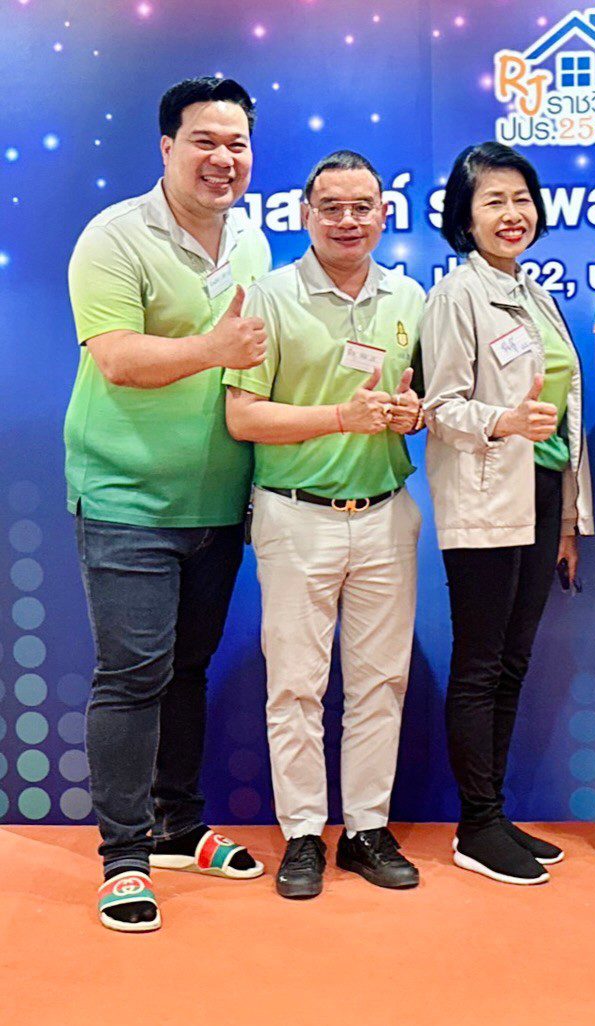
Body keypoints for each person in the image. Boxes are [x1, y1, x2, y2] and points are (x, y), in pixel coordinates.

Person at [65, 76, 270, 933]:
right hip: (127, 499)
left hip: (216, 502)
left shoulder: (253, 239)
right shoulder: (114, 236)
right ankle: (123, 856)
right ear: (167, 148)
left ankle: (179, 826)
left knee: (187, 668)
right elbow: (115, 358)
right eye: (204, 142)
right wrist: (213, 347)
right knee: (133, 673)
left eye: (237, 144)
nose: (223, 159)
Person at [223, 150, 425, 899]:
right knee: (296, 687)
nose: (347, 220)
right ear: (305, 214)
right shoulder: (270, 297)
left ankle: (366, 829)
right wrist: (340, 416)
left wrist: (411, 414)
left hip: (385, 514)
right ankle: (303, 834)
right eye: (331, 207)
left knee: (381, 683)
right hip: (295, 514)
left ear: (384, 214)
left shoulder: (409, 296)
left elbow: (422, 401)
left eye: (361, 207)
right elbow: (243, 417)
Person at [422, 142, 594, 885]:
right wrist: (503, 421)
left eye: (521, 198)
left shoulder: (534, 294)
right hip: (489, 496)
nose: (512, 213)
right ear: (465, 217)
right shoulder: (455, 296)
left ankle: (493, 814)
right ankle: (476, 824)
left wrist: (567, 522)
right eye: (493, 200)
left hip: (542, 494)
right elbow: (440, 408)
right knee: (481, 662)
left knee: (513, 661)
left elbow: (564, 418)